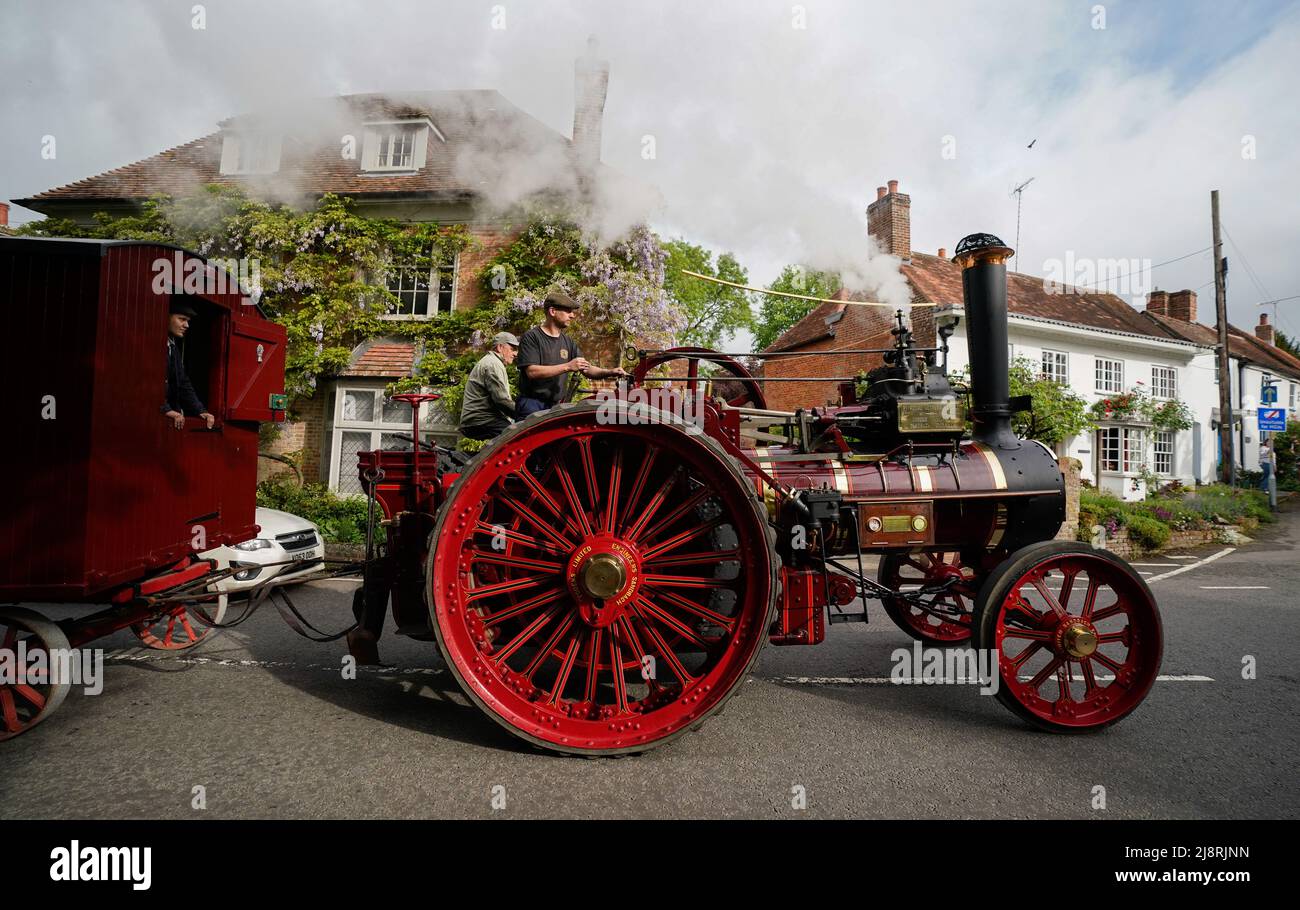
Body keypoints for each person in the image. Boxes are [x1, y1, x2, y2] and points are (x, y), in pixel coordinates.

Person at [514, 291, 626, 418]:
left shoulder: (568, 342)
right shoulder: (532, 337)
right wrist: (567, 366)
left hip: (556, 406)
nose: (572, 316)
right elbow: (532, 372)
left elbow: (586, 369)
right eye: (568, 311)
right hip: (532, 405)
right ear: (552, 311)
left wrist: (610, 372)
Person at [163, 300, 215, 429]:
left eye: (188, 321)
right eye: (182, 319)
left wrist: (200, 410)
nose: (187, 325)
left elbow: (183, 382)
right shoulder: (152, 342)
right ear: (166, 317)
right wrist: (165, 409)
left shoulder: (173, 347)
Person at [459, 332, 520, 441]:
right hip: (480, 420)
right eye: (513, 349)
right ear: (500, 347)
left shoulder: (492, 362)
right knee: (516, 437)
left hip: (478, 419)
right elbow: (502, 400)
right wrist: (524, 415)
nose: (516, 353)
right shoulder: (492, 364)